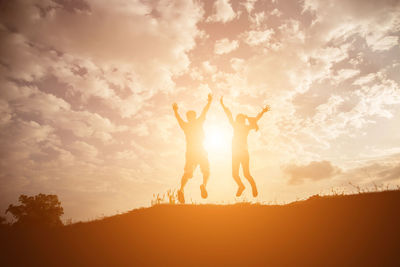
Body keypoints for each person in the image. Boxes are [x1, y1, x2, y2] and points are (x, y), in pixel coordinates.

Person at [220, 97, 270, 197]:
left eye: (240, 119)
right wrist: (222, 105)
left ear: (241, 120)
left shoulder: (245, 127)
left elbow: (255, 119)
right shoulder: (238, 125)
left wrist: (262, 112)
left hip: (242, 153)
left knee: (245, 174)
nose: (239, 120)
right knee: (236, 174)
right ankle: (241, 186)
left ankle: (252, 186)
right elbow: (229, 115)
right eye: (239, 118)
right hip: (236, 153)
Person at [173, 94, 213, 204]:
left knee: (188, 173)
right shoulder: (198, 121)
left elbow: (178, 118)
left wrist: (175, 110)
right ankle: (203, 185)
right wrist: (209, 102)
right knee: (206, 170)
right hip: (200, 150)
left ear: (188, 117)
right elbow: (205, 111)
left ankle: (181, 189)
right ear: (194, 116)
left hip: (190, 153)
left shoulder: (185, 126)